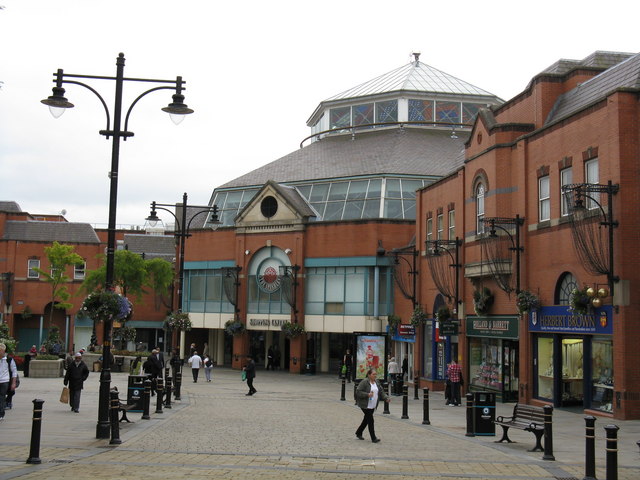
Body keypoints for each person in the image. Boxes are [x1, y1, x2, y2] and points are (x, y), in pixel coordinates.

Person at [355, 368, 390, 443]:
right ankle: (373, 438)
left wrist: (386, 398)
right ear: (369, 375)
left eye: (375, 374)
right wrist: (367, 394)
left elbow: (381, 391)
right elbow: (358, 392)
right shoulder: (364, 382)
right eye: (373, 374)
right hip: (365, 405)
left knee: (366, 420)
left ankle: (358, 432)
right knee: (370, 420)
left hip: (373, 405)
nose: (375, 375)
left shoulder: (377, 382)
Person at [0, 343, 18, 420]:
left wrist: (13, 383)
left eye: (0, 350)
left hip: (4, 381)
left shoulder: (9, 359)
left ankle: (1, 414)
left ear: (3, 351)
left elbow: (14, 371)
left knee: (1, 397)